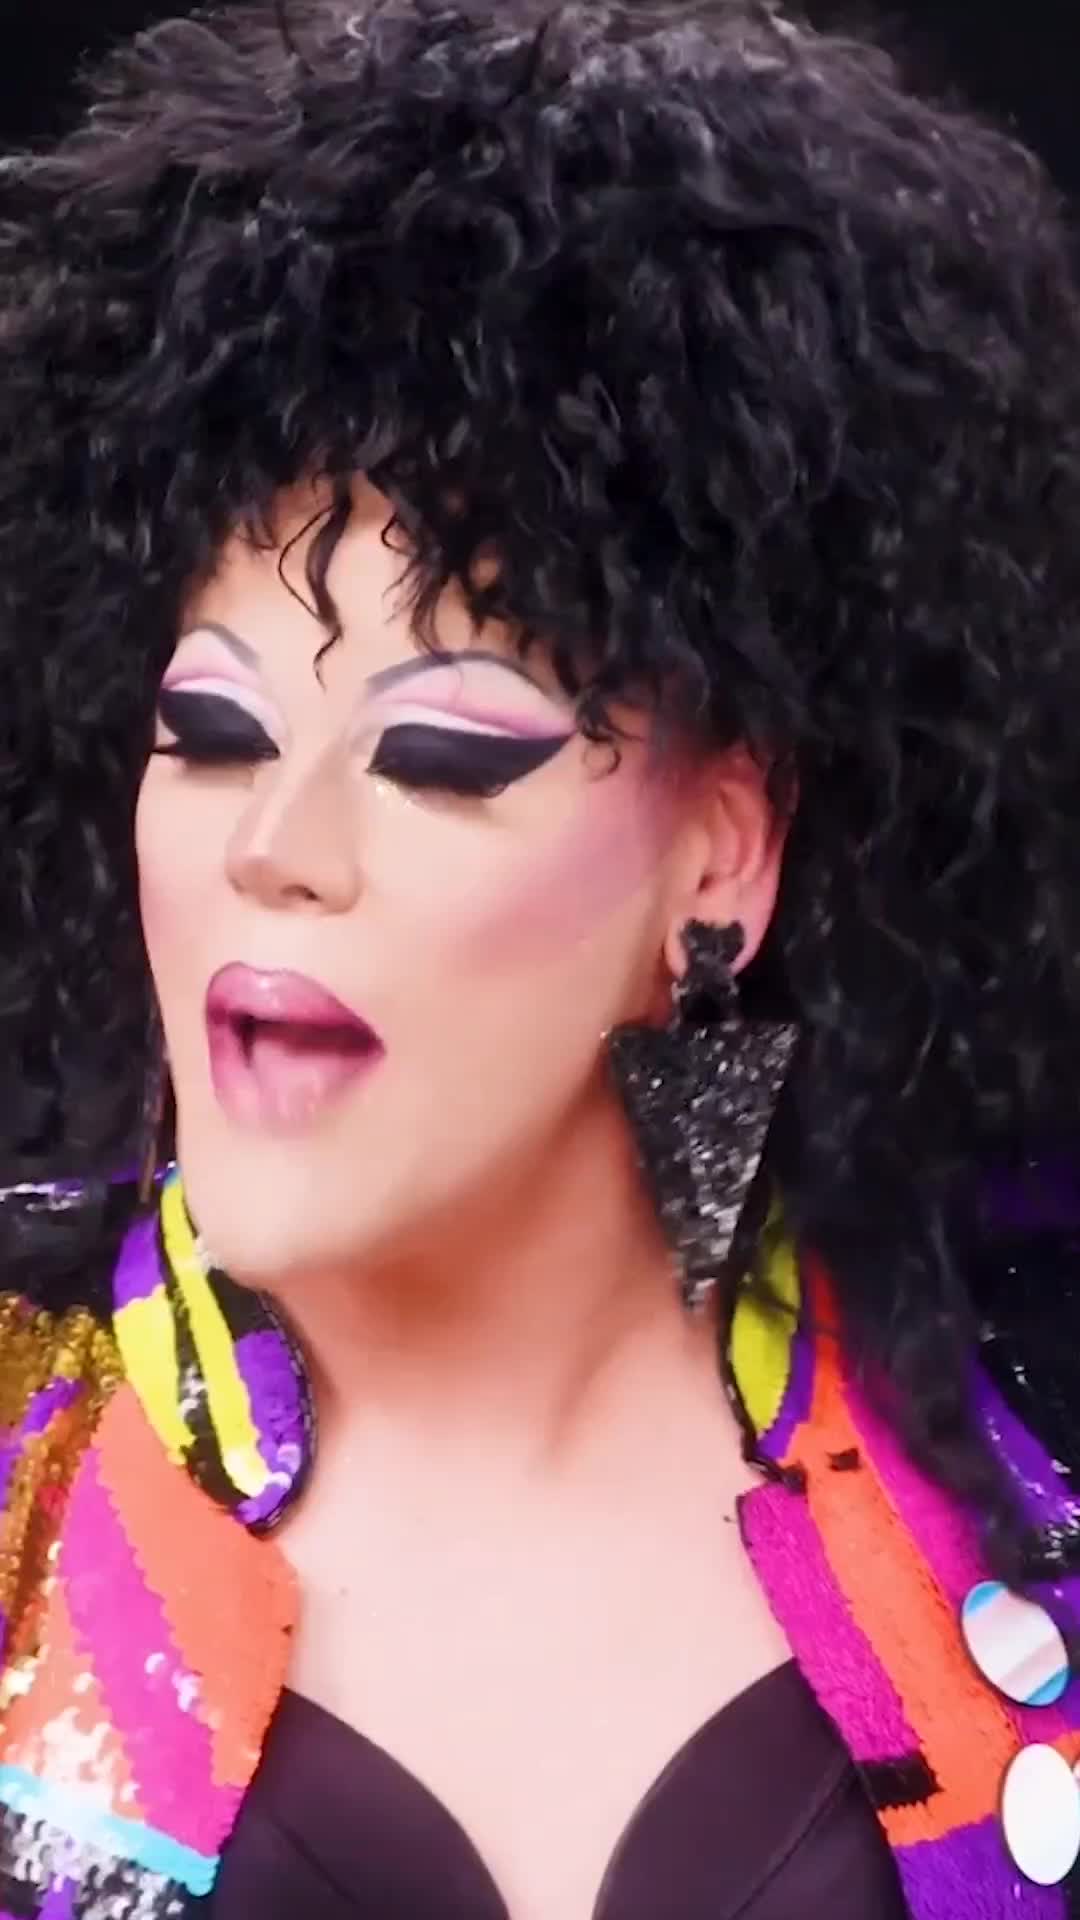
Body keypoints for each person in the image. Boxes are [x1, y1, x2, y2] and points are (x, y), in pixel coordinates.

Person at [2, 1, 1080, 1914]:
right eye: (211, 731)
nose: (275, 846)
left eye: (438, 755)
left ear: (721, 860)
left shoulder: (1022, 1486)